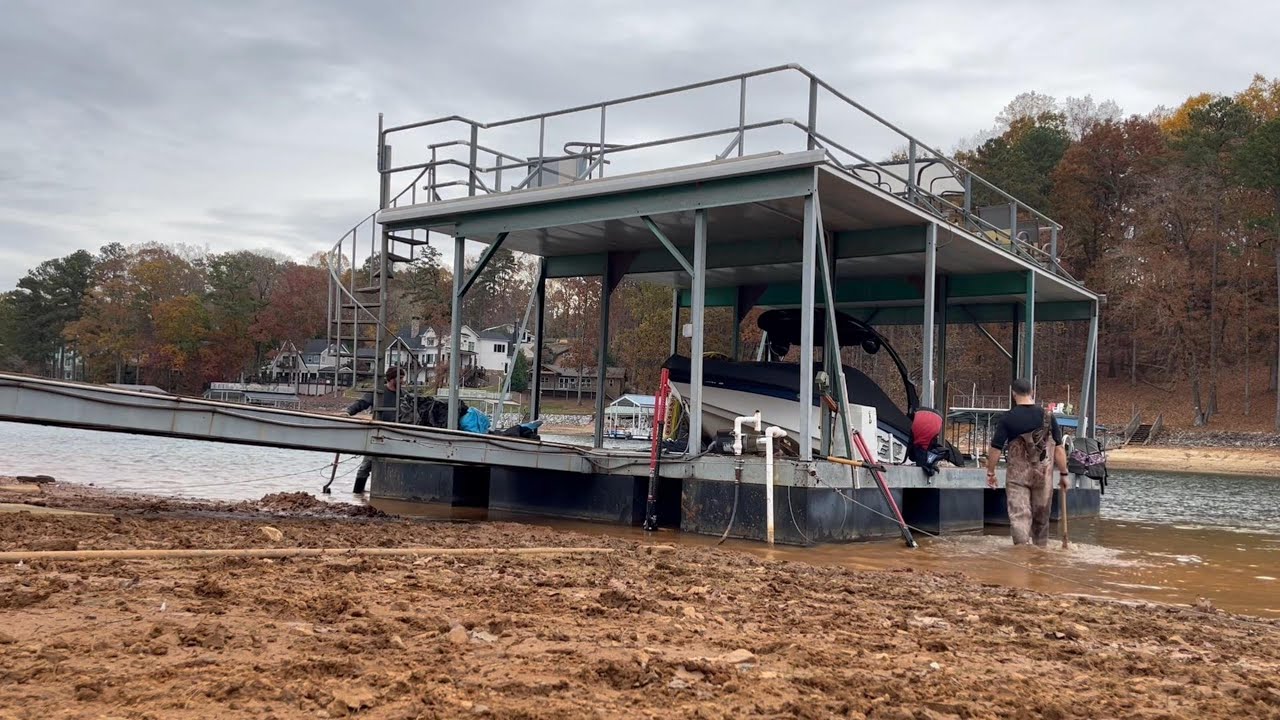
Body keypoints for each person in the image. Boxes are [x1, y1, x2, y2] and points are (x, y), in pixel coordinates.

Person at [985, 378, 1070, 546]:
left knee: (1019, 516)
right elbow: (1059, 448)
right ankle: (1039, 556)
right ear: (1032, 392)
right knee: (1041, 519)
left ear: (1013, 394)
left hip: (1018, 476)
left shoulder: (1008, 418)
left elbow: (995, 448)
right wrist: (1064, 474)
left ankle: (1021, 556)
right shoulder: (1047, 416)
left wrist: (991, 472)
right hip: (1043, 475)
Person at [346, 366, 411, 494]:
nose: (403, 381)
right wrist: (348, 412)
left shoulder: (404, 395)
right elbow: (361, 404)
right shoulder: (378, 393)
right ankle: (357, 493)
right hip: (377, 433)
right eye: (401, 378)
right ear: (392, 379)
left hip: (397, 435)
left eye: (403, 377)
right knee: (366, 466)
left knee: (396, 465)